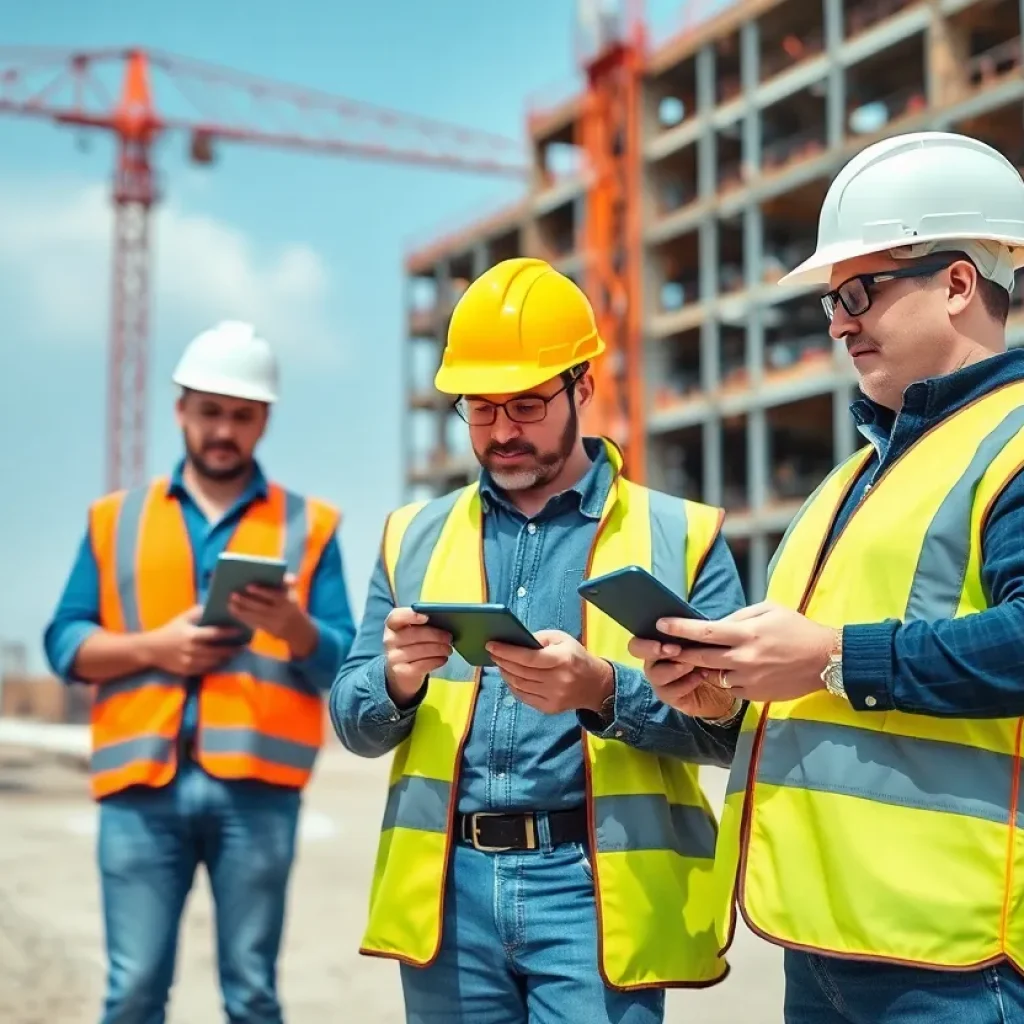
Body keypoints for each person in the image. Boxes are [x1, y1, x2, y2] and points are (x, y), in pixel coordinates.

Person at [628, 130, 1024, 1023]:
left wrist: (832, 658)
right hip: (823, 942)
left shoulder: (1014, 442)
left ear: (959, 283)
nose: (840, 320)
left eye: (860, 291)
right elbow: (815, 678)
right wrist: (723, 694)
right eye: (832, 302)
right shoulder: (848, 482)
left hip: (956, 953)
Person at [330, 257, 747, 1024]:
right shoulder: (411, 536)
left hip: (593, 895)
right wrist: (393, 683)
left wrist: (605, 693)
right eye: (480, 410)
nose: (501, 432)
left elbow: (734, 730)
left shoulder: (681, 536)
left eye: (525, 405)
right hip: (448, 897)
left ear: (582, 387)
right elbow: (351, 719)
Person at [43, 320, 356, 1024]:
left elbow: (344, 663)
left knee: (251, 993)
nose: (225, 430)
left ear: (264, 421)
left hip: (258, 794)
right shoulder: (114, 520)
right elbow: (64, 643)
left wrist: (292, 627)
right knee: (132, 993)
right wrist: (153, 649)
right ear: (181, 408)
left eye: (242, 415)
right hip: (138, 790)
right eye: (210, 411)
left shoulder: (311, 526)